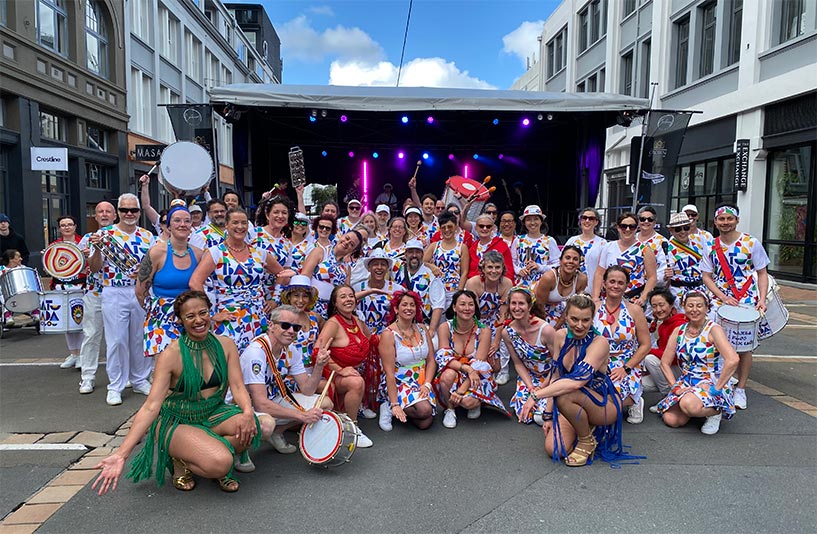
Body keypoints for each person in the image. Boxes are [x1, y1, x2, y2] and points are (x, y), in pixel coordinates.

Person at [91, 290, 261, 494]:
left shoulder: (226, 345)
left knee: (253, 427)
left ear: (210, 312)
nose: (199, 320)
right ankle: (187, 460)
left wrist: (248, 412)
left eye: (203, 312)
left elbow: (238, 386)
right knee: (222, 462)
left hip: (213, 412)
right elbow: (151, 406)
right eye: (190, 316)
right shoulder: (170, 355)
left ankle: (201, 452)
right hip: (177, 419)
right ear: (180, 320)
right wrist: (121, 454)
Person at [530, 294, 635, 467]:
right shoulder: (560, 336)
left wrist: (535, 396)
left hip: (602, 403)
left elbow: (577, 382)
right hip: (573, 402)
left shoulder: (599, 342)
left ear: (592, 319)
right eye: (574, 319)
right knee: (554, 450)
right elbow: (556, 376)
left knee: (566, 394)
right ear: (565, 317)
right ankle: (584, 428)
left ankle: (586, 440)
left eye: (586, 320)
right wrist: (548, 416)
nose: (580, 325)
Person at [189, 208, 294, 353]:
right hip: (229, 318)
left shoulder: (259, 253)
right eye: (235, 223)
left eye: (244, 223)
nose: (240, 227)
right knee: (230, 362)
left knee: (257, 360)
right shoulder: (216, 252)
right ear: (226, 225)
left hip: (258, 318)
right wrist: (210, 313)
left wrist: (275, 298)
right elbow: (195, 282)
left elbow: (283, 274)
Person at [88, 193, 155, 406]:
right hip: (114, 291)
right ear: (118, 212)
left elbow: (155, 263)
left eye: (133, 210)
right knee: (116, 340)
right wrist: (97, 251)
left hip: (140, 292)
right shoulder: (104, 234)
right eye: (125, 210)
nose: (129, 214)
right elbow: (94, 267)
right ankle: (115, 385)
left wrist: (145, 275)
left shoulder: (147, 236)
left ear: (138, 212)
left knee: (139, 338)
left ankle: (139, 379)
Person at [701, 203, 770, 410]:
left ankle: (741, 388)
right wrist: (722, 296)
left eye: (729, 219)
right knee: (716, 344)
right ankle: (721, 383)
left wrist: (762, 299)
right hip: (718, 302)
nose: (725, 223)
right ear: (715, 222)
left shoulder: (751, 243)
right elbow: (706, 276)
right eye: (721, 219)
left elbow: (762, 273)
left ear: (737, 220)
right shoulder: (710, 245)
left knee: (745, 347)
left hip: (746, 301)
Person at [238, 305, 332, 455]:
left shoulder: (290, 349)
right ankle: (240, 451)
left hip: (270, 399)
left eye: (296, 327)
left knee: (324, 404)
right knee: (267, 425)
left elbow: (307, 390)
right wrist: (301, 415)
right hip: (244, 406)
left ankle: (277, 433)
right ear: (271, 325)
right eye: (285, 325)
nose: (291, 331)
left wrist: (319, 366)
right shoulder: (257, 352)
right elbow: (260, 404)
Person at [657, 291, 739, 435]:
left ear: (707, 308)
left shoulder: (714, 330)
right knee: (671, 419)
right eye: (690, 306)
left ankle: (715, 412)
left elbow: (733, 359)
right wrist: (674, 387)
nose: (694, 309)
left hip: (711, 381)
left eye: (699, 306)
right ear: (684, 307)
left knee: (688, 404)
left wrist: (717, 388)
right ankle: (694, 408)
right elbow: (664, 362)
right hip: (687, 381)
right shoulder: (679, 330)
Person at [136, 203, 204, 358]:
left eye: (187, 221)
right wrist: (157, 312)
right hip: (162, 319)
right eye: (177, 220)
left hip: (191, 317)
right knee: (166, 372)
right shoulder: (156, 253)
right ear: (168, 226)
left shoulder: (199, 254)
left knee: (193, 369)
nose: (182, 224)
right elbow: (140, 292)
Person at [435, 290, 509, 429]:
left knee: (468, 402)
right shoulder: (445, 327)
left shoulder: (484, 330)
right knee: (447, 375)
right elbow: (444, 357)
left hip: (478, 374)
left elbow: (479, 365)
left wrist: (460, 391)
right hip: (457, 369)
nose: (467, 308)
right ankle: (450, 409)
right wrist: (466, 368)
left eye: (471, 304)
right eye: (462, 304)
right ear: (454, 307)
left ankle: (476, 401)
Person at [314, 284, 375, 447]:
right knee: (356, 382)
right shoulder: (333, 324)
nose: (348, 299)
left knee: (359, 378)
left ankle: (354, 409)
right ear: (335, 303)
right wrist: (341, 370)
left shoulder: (357, 321)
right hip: (331, 376)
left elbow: (374, 341)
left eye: (350, 296)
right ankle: (352, 428)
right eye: (343, 297)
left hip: (354, 372)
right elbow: (317, 352)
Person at [594, 266, 652, 425]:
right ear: (604, 283)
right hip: (597, 360)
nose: (615, 286)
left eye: (620, 283)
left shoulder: (635, 310)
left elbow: (646, 344)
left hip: (626, 363)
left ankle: (634, 401)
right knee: (592, 395)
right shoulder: (594, 307)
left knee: (610, 400)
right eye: (612, 281)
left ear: (627, 286)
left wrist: (626, 368)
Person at [377, 291, 437, 431]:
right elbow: (389, 373)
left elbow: (431, 360)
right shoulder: (388, 334)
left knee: (425, 423)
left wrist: (427, 384)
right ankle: (389, 405)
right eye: (404, 305)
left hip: (420, 380)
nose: (409, 308)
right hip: (399, 380)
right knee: (424, 411)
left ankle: (407, 408)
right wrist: (394, 403)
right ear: (396, 309)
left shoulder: (422, 329)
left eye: (412, 305)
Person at [76, 201, 116, 394]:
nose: (104, 214)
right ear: (95, 216)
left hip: (117, 294)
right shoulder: (86, 239)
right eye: (100, 211)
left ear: (115, 216)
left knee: (117, 338)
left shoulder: (121, 237)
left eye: (108, 211)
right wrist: (84, 257)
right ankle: (87, 377)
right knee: (91, 335)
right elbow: (79, 267)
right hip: (94, 293)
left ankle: (120, 377)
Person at [501, 287, 556, 425]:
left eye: (521, 304)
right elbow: (518, 363)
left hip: (552, 375)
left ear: (530, 306)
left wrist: (541, 389)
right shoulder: (507, 333)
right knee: (524, 414)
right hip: (529, 377)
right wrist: (531, 388)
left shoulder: (546, 330)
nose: (517, 308)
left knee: (540, 417)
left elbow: (559, 363)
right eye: (513, 303)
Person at [464, 250, 512, 384]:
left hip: (497, 321)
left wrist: (495, 341)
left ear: (502, 268)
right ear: (483, 268)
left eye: (497, 267)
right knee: (480, 349)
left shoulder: (507, 284)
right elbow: (472, 314)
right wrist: (484, 338)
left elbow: (503, 315)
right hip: (476, 321)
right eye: (490, 267)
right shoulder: (473, 283)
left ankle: (503, 370)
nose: (493, 271)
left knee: (505, 334)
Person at [592, 212, 658, 307]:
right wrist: (595, 297)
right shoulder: (608, 247)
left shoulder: (645, 250)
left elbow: (652, 277)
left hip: (633, 298)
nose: (627, 229)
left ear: (636, 228)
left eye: (632, 226)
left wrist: (643, 298)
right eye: (624, 226)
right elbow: (599, 273)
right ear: (618, 228)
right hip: (609, 298)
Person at [48, 215, 87, 370]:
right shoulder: (54, 245)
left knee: (82, 322)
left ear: (75, 226)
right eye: (63, 225)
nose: (67, 227)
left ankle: (83, 355)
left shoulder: (83, 243)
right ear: (59, 228)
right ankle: (74, 354)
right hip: (61, 287)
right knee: (67, 323)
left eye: (69, 224)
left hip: (80, 286)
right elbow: (49, 267)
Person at [301, 229, 363, 318]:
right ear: (341, 236)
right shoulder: (320, 252)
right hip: (310, 305)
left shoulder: (347, 268)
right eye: (347, 238)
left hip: (331, 312)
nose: (346, 242)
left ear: (353, 250)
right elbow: (304, 277)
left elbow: (346, 292)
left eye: (351, 244)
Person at [642, 288, 686, 413]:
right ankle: (669, 393)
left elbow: (674, 357)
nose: (658, 310)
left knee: (649, 359)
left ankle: (668, 397)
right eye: (654, 306)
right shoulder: (664, 324)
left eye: (661, 305)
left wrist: (647, 350)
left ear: (671, 305)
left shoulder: (679, 324)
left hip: (681, 368)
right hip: (669, 367)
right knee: (641, 383)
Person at [394, 239, 445, 335]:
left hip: (422, 326)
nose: (414, 255)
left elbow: (438, 305)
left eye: (417, 252)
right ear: (405, 254)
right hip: (399, 325)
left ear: (422, 255)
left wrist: (432, 330)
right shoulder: (396, 271)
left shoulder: (431, 276)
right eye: (411, 252)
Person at [279, 275, 323, 383]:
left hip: (314, 371)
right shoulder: (281, 318)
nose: (300, 300)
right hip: (291, 375)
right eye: (296, 295)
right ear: (289, 297)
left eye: (305, 296)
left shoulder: (315, 317)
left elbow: (330, 334)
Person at [424, 211, 470, 310]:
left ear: (455, 227)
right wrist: (432, 267)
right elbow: (422, 263)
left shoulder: (462, 247)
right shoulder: (434, 246)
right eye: (443, 227)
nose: (447, 230)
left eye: (450, 227)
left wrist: (459, 293)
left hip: (453, 289)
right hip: (436, 289)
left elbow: (464, 272)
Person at [354, 248, 405, 336]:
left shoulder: (398, 290)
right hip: (363, 337)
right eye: (375, 264)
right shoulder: (357, 288)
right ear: (369, 268)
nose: (379, 267)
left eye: (383, 265)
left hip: (388, 337)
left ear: (387, 268)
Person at [534, 245, 588, 328]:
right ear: (560, 261)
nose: (571, 261)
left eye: (575, 259)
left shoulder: (582, 280)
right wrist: (547, 330)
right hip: (536, 307)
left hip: (558, 308)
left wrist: (557, 327)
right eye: (567, 258)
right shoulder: (549, 277)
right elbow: (539, 305)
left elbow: (571, 306)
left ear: (579, 264)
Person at [254, 196, 294, 306]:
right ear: (267, 215)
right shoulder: (253, 234)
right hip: (252, 294)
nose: (280, 216)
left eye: (284, 213)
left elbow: (284, 274)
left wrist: (275, 299)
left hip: (273, 298)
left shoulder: (287, 244)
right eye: (276, 212)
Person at [665, 211, 709, 305]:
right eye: (678, 229)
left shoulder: (700, 239)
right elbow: (661, 277)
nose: (683, 232)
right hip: (679, 292)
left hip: (700, 289)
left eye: (686, 228)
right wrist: (666, 275)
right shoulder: (667, 248)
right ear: (671, 230)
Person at [514, 205, 560, 286]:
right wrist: (519, 270)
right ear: (524, 222)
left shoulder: (549, 240)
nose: (532, 223)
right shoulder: (518, 240)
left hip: (542, 284)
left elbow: (558, 264)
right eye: (528, 220)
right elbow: (512, 261)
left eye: (536, 219)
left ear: (541, 221)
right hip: (521, 283)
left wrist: (540, 268)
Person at [565, 207, 607, 293]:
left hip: (593, 290)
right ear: (580, 221)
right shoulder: (572, 240)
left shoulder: (603, 243)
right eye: (584, 218)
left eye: (591, 219)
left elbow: (605, 269)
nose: (587, 221)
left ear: (596, 222)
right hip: (571, 289)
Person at [466, 214, 515, 280]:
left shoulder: (502, 245)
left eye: (488, 226)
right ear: (476, 228)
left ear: (492, 228)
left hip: (496, 286)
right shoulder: (472, 247)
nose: (485, 229)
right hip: (475, 286)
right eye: (481, 226)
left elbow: (509, 272)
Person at [635, 206, 668, 287]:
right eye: (642, 219)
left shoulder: (662, 241)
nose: (646, 221)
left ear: (654, 222)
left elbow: (663, 268)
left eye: (650, 219)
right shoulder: (632, 238)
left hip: (652, 288)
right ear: (638, 221)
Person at [0, 249, 24, 326]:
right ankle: (7, 316)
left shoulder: (23, 268)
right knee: (3, 294)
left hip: (21, 291)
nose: (21, 259)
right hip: (5, 293)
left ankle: (35, 314)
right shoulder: (1, 269)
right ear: (11, 259)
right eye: (19, 257)